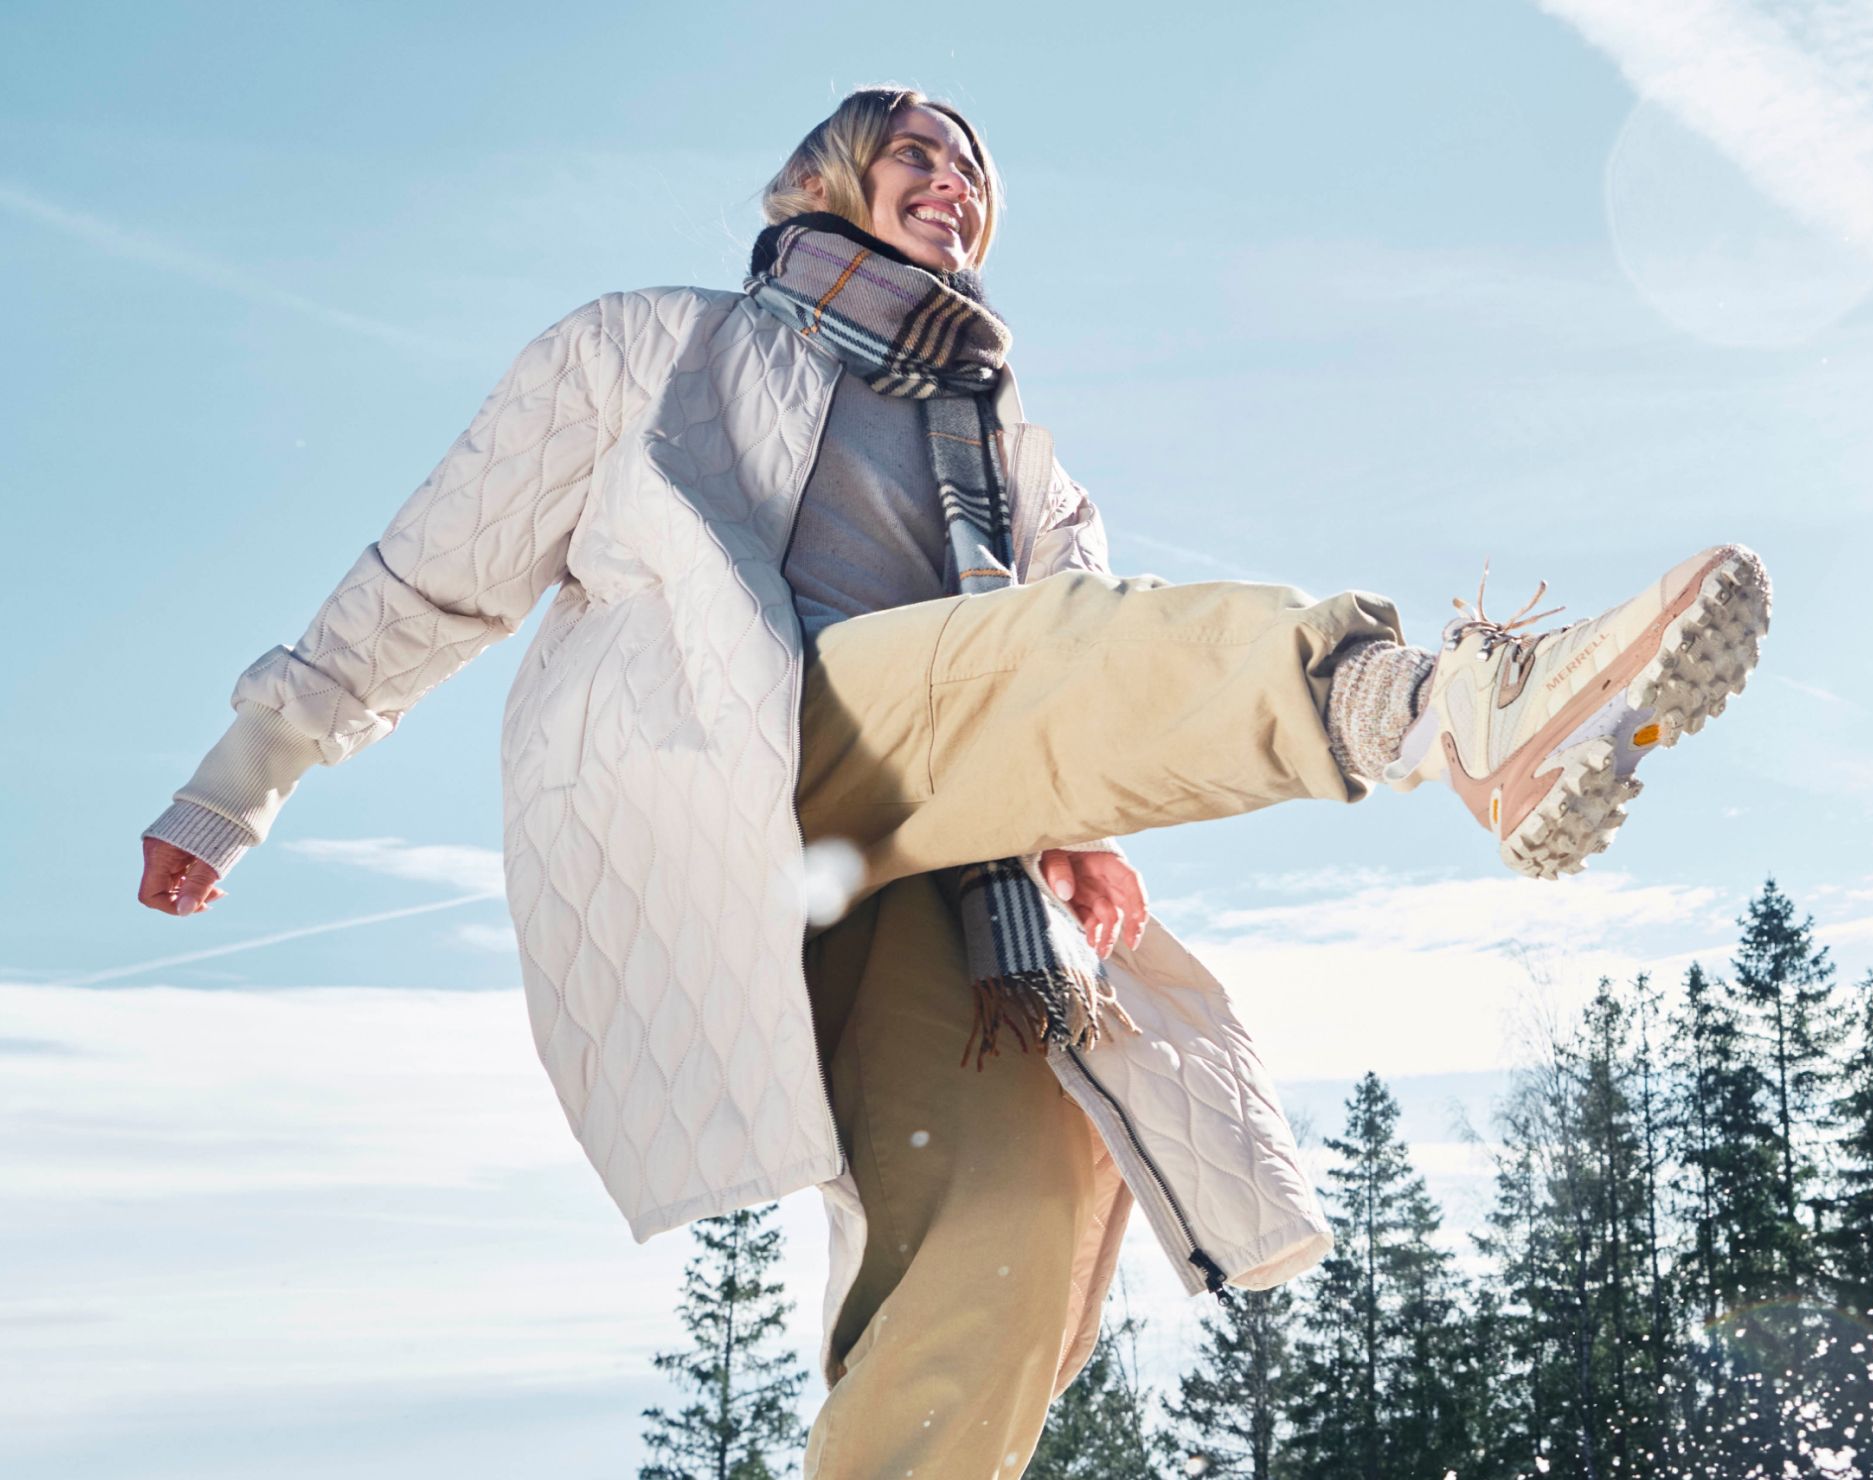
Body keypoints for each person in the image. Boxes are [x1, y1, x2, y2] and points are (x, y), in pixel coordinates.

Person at [129, 85, 1768, 1478]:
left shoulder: (1020, 460)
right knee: (1026, 648)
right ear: (831, 180)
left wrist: (1082, 826)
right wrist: (239, 782)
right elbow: (431, 581)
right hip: (724, 760)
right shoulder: (650, 351)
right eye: (915, 154)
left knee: (1014, 1221)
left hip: (919, 861)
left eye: (974, 171)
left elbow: (1094, 673)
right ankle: (1455, 710)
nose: (951, 184)